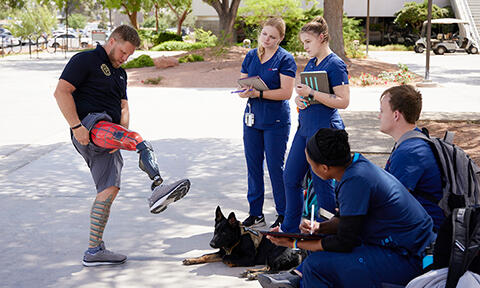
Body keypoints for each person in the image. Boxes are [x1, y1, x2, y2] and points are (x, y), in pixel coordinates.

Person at [53, 25, 190, 267]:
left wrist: (121, 136)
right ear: (113, 40)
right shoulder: (85, 60)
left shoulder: (121, 73)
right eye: (123, 52)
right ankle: (158, 186)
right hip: (90, 125)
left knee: (109, 190)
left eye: (129, 55)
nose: (124, 58)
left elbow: (124, 106)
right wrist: (76, 126)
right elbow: (61, 92)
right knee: (141, 143)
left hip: (110, 136)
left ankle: (94, 251)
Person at [260, 128, 435, 288]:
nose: (310, 170)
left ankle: (298, 280)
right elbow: (348, 221)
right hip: (399, 247)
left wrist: (294, 242)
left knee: (316, 266)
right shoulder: (356, 166)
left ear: (324, 168)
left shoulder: (355, 180)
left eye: (310, 165)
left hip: (411, 257)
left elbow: (345, 241)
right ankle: (297, 279)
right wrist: (319, 227)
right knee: (319, 254)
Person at [281, 16, 350, 234]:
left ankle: (325, 233)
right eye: (303, 43)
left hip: (325, 131)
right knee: (290, 178)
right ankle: (290, 229)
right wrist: (299, 100)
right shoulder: (311, 63)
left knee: (323, 185)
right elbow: (308, 95)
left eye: (308, 42)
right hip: (305, 129)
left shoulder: (336, 64)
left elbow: (343, 101)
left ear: (322, 38)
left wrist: (311, 93)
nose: (305, 47)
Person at [238, 17, 297, 228]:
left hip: (276, 121)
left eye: (272, 37)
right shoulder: (251, 55)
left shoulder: (285, 59)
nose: (267, 39)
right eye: (264, 34)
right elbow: (243, 86)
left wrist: (258, 93)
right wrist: (245, 93)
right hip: (252, 120)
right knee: (253, 167)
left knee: (275, 168)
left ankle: (283, 213)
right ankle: (256, 214)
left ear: (280, 38)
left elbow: (286, 93)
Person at [379, 84, 444, 231]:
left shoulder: (410, 152)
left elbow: (392, 204)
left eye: (382, 111)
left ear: (396, 115)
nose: (379, 116)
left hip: (426, 234)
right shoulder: (413, 141)